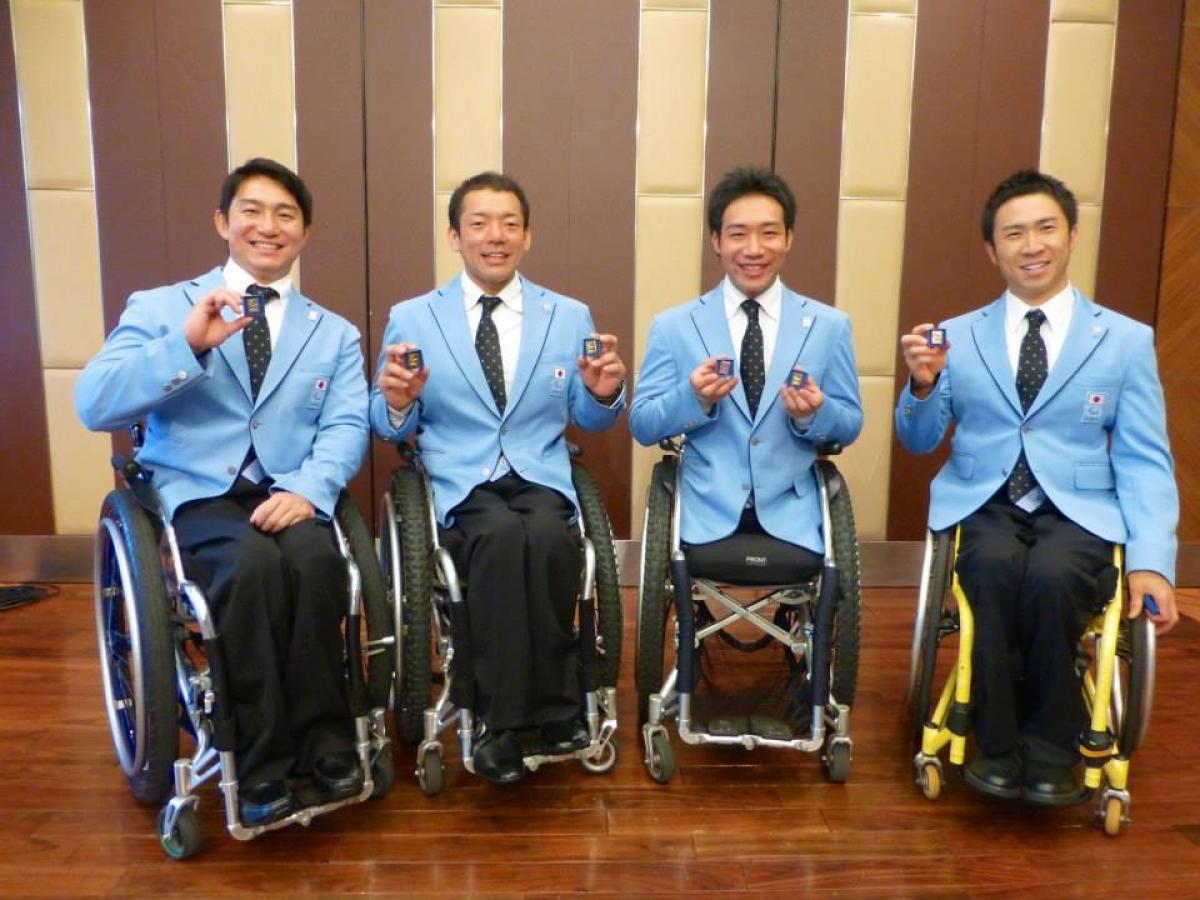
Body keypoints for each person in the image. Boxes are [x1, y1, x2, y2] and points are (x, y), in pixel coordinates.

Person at [77, 158, 370, 826]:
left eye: (285, 214)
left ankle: (326, 743)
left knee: (320, 564)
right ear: (223, 222)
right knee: (249, 570)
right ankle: (261, 764)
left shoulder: (334, 333)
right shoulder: (162, 308)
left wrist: (312, 489)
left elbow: (347, 423)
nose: (268, 226)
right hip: (198, 492)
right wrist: (186, 345)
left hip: (289, 489)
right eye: (252, 210)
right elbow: (94, 403)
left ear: (305, 232)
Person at [895, 168, 1179, 805]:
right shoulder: (955, 335)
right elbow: (918, 439)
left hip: (1078, 508)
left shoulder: (1126, 341)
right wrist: (921, 386)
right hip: (984, 500)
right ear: (991, 251)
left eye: (1046, 228)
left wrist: (1154, 564)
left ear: (1072, 236)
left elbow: (1145, 459)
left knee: (1053, 578)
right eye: (1014, 233)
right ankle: (996, 747)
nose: (1032, 245)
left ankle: (1051, 752)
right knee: (992, 572)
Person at [370, 171, 626, 784]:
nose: (496, 236)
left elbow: (588, 417)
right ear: (454, 236)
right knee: (499, 541)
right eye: (480, 223)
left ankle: (547, 707)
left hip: (540, 470)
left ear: (528, 236)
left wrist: (604, 394)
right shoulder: (414, 316)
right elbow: (386, 422)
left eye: (510, 223)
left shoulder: (567, 315)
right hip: (460, 478)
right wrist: (399, 402)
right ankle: (507, 720)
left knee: (549, 541)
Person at [629, 165, 863, 566]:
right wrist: (693, 400)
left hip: (795, 514)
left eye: (769, 233)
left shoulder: (829, 327)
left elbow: (850, 424)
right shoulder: (674, 326)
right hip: (702, 513)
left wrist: (814, 414)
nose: (754, 249)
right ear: (716, 241)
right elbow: (644, 424)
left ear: (789, 238)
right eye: (738, 234)